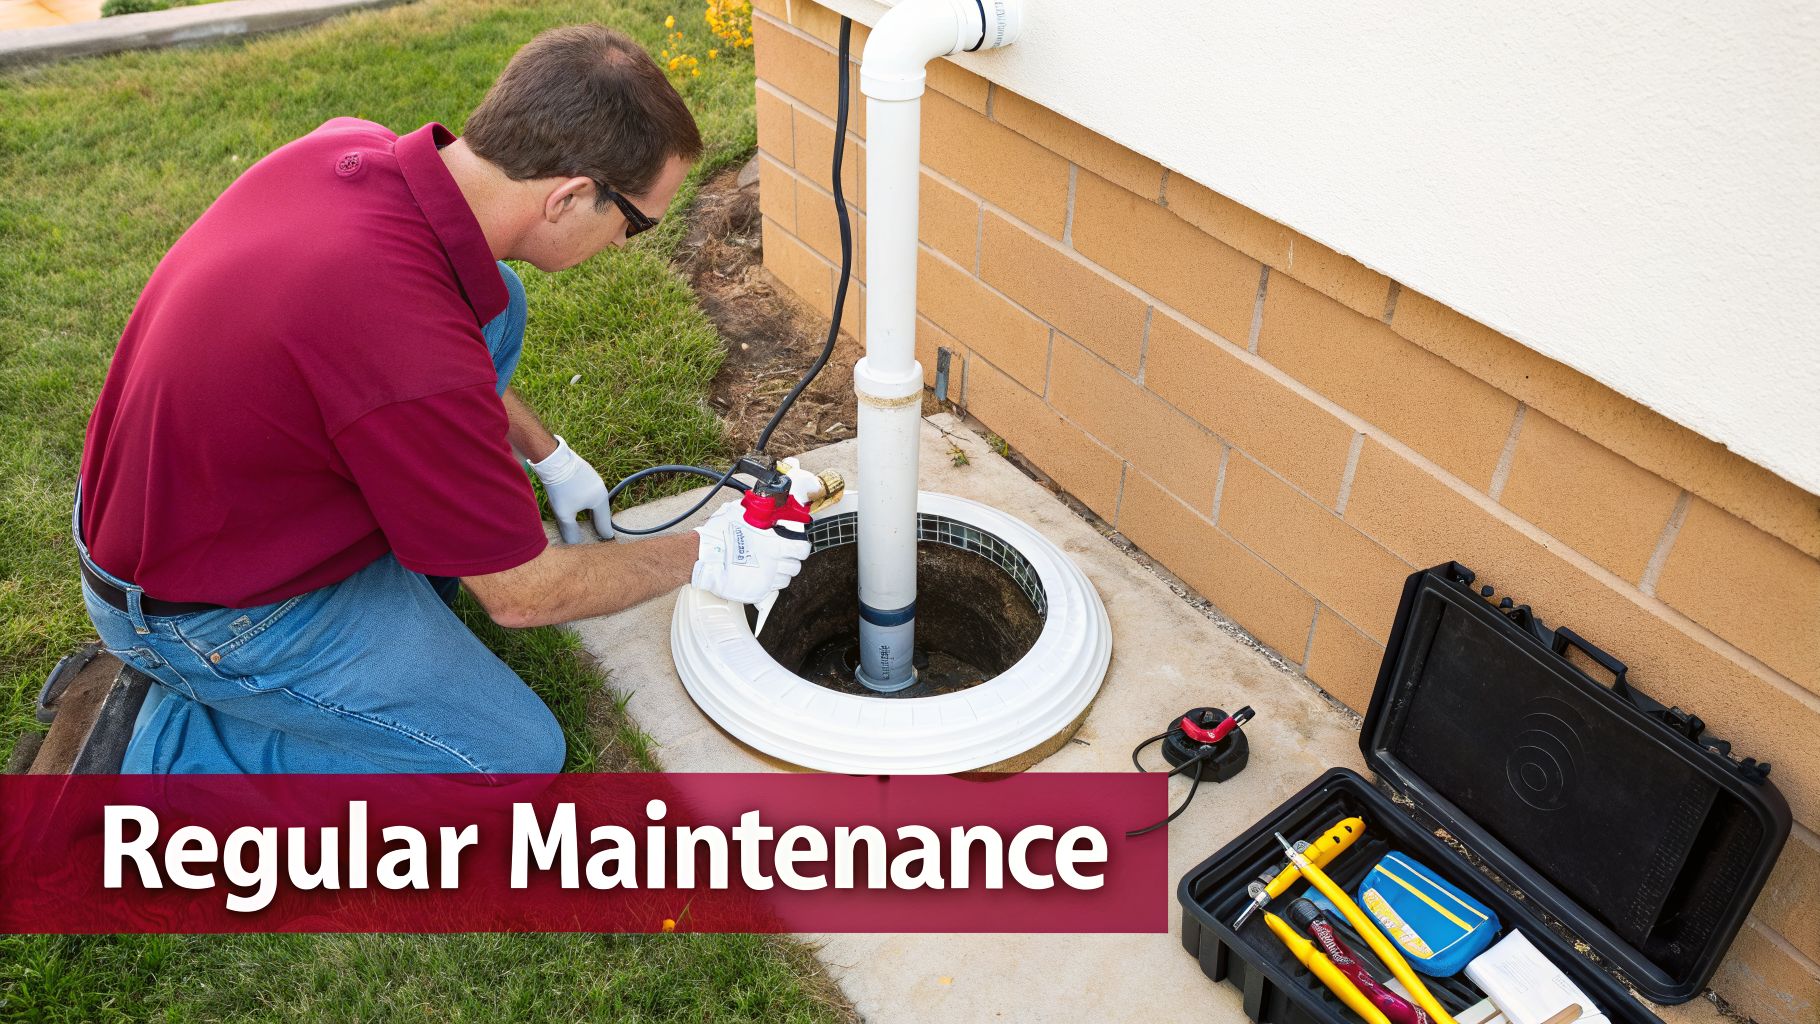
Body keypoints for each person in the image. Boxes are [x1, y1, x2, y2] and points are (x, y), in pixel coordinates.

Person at [72, 25, 808, 774]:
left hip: (189, 513)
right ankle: (155, 748)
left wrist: (547, 455)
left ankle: (390, 593)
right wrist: (702, 554)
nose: (628, 243)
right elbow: (523, 596)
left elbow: (427, 363)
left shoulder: (352, 152)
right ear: (571, 196)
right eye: (635, 222)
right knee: (507, 755)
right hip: (210, 610)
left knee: (500, 303)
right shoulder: (408, 345)